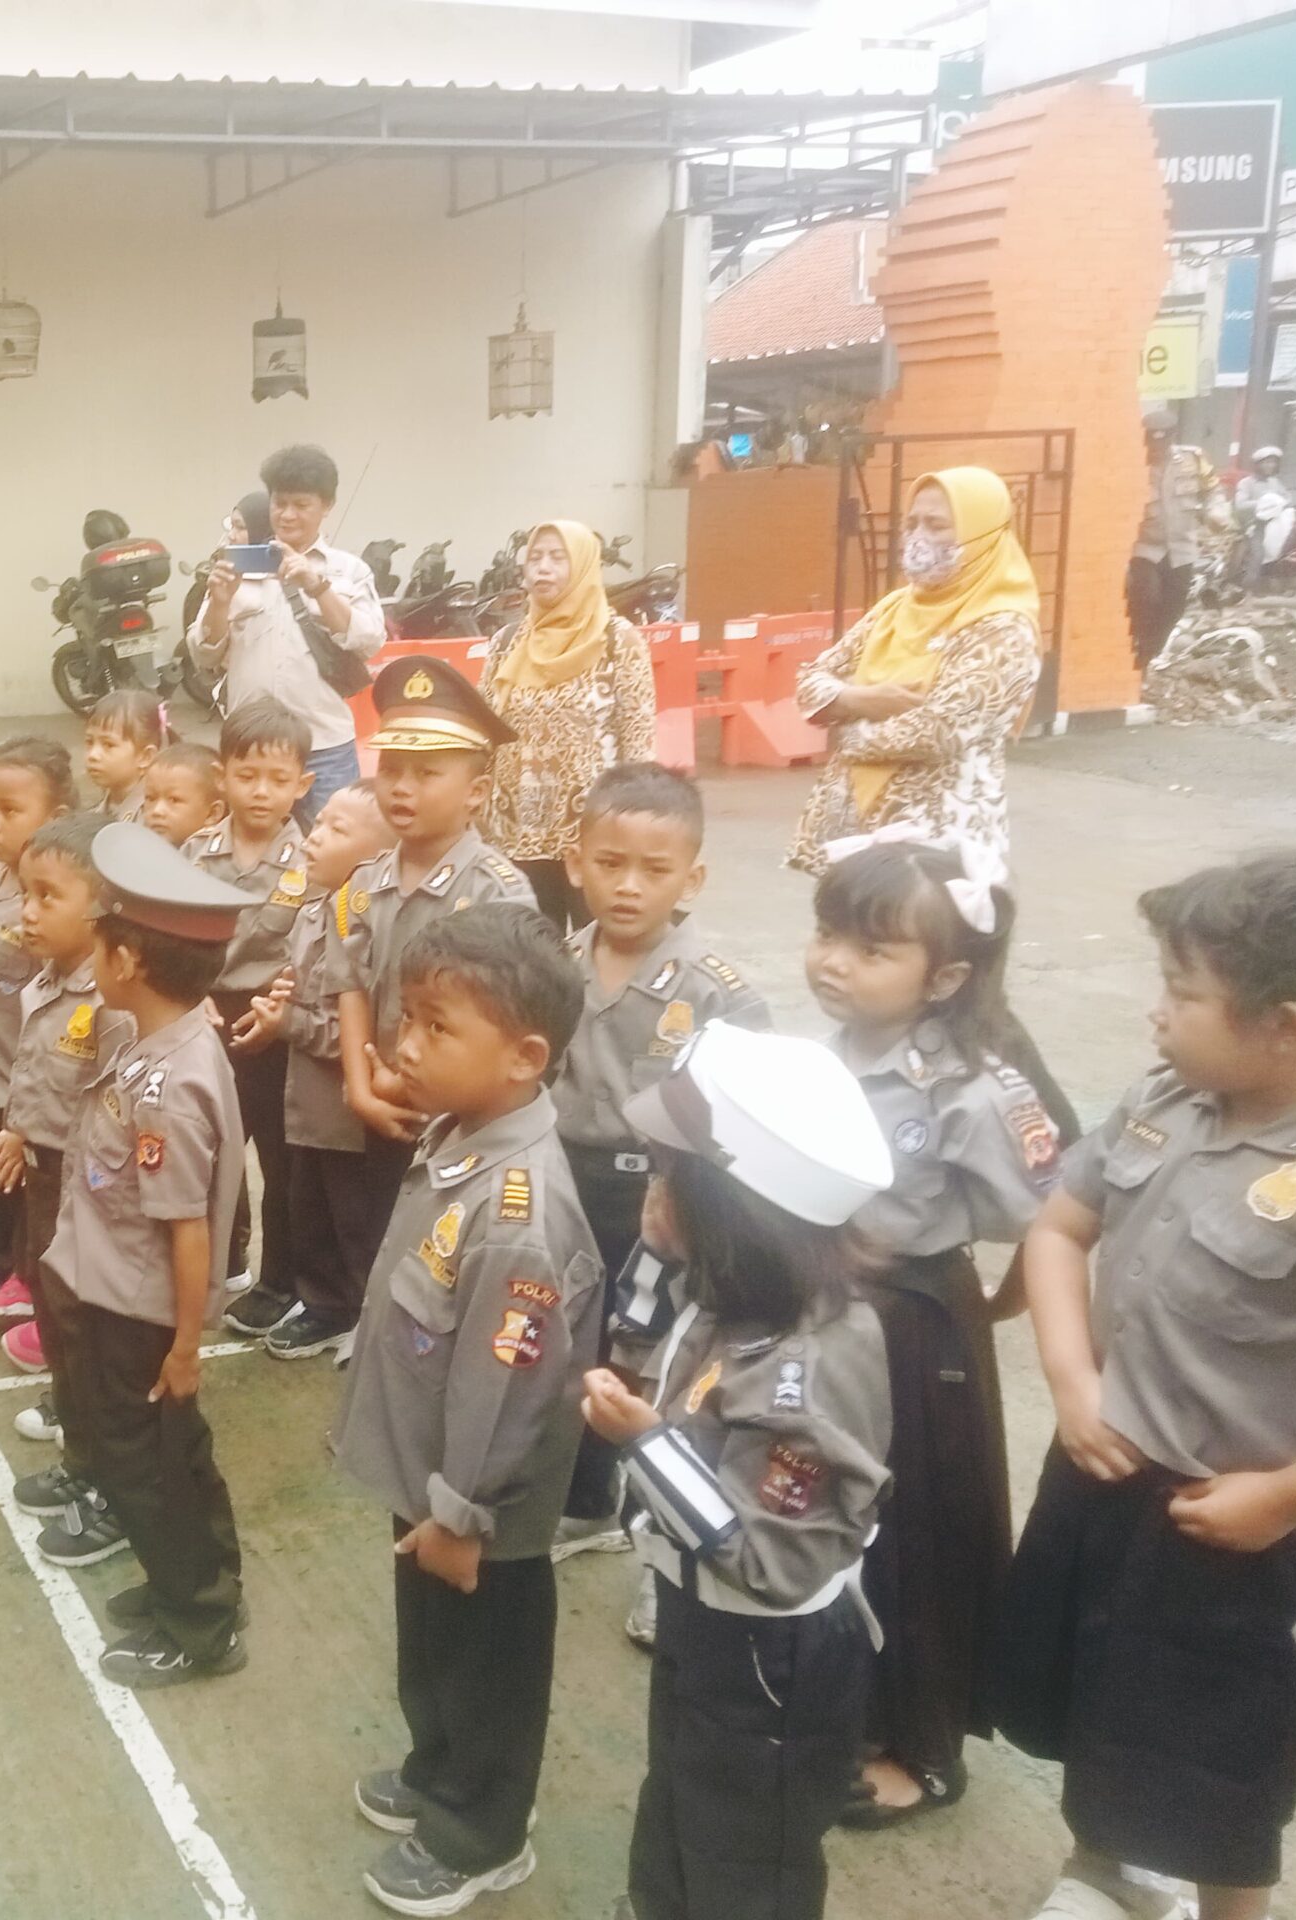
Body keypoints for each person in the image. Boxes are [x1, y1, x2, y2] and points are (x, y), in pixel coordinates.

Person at [1002, 852, 1296, 1920]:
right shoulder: (1165, 1097)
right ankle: (1113, 1863)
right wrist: (1070, 1380)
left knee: (1219, 1752)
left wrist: (1283, 1498)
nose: (1156, 1016)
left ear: (1286, 1028)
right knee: (1091, 1683)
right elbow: (1058, 1226)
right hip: (1098, 1464)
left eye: (1183, 997)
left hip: (1225, 1520)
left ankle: (1225, 1906)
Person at [586, 1022, 898, 1920]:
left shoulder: (804, 1367)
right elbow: (653, 1330)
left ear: (732, 1212)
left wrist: (647, 1444)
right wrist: (658, 1236)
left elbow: (773, 1561)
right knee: (682, 1789)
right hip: (702, 1622)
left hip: (770, 1655)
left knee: (749, 1846)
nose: (650, 1189)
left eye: (666, 1176)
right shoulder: (740, 1298)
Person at [332, 904, 603, 1914]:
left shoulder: (522, 1211)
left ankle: (483, 1831)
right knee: (433, 1649)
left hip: (475, 1500)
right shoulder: (462, 1134)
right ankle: (437, 1769)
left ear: (524, 1056)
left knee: (487, 1663)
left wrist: (460, 1514)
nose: (404, 1042)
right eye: (407, 1017)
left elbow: (504, 1391)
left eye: (436, 1027)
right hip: (430, 1472)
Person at [809, 834, 1073, 1826]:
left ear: (946, 976)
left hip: (916, 1332)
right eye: (828, 933)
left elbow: (1056, 1214)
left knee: (916, 1535)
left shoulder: (971, 1084)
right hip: (830, 1314)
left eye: (870, 949)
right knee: (836, 1516)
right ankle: (849, 1705)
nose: (834, 960)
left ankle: (923, 1746)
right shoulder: (831, 1050)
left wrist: (993, 1303)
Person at [41, 821, 257, 1688]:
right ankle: (205, 1579)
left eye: (99, 942)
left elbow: (188, 1227)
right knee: (175, 1455)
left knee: (142, 1470)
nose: (91, 957)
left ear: (127, 960)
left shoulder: (168, 1085)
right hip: (123, 1295)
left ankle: (198, 1623)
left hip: (135, 1312)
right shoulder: (165, 1043)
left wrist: (183, 1346)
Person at [551, 763, 771, 1555]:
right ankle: (578, 1493)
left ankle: (642, 1517)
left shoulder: (719, 994)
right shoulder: (556, 963)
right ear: (575, 863)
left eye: (656, 869)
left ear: (693, 876)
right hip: (560, 1180)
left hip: (658, 1205)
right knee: (567, 1336)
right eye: (609, 864)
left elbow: (738, 1120)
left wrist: (688, 1208)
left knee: (647, 1352)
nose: (629, 887)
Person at [334, 658, 534, 1221]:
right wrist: (360, 1089)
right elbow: (347, 980)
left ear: (477, 793)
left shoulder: (500, 892)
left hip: (463, 1119)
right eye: (392, 767)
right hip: (379, 1107)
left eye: (426, 774)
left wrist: (407, 1084)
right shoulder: (364, 883)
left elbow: (507, 1019)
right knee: (378, 1239)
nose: (401, 787)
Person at [0, 813, 138, 1559]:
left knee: (91, 1335)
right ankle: (83, 1459)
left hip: (93, 1191)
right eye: (26, 893)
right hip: (46, 1175)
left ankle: (113, 1484)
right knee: (57, 1322)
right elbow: (41, 1072)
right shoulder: (49, 978)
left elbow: (115, 1110)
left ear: (102, 906)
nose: (28, 911)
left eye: (49, 896)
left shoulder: (115, 999)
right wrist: (20, 1128)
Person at [787, 469, 1043, 876]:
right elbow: (810, 680)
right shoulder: (894, 608)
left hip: (936, 842)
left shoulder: (1002, 628)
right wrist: (860, 699)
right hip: (854, 832)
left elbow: (939, 729)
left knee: (914, 936)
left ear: (984, 534)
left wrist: (845, 728)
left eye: (937, 525)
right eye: (912, 523)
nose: (919, 536)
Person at [249, 778, 394, 1361]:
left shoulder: (362, 921)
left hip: (345, 1116)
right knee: (309, 1215)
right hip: (309, 1108)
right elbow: (305, 994)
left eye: (337, 829)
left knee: (356, 1225)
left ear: (380, 855)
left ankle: (362, 1315)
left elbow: (356, 1033)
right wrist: (277, 1008)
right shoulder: (316, 907)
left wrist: (291, 1025)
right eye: (319, 823)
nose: (313, 837)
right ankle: (325, 1304)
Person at [187, 696, 313, 1338]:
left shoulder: (313, 862)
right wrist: (190, 991)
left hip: (273, 1021)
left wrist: (280, 1009)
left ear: (303, 784)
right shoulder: (195, 850)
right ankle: (217, 1259)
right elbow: (178, 932)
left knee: (281, 1157)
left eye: (278, 778)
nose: (261, 792)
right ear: (222, 776)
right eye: (247, 774)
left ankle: (280, 1280)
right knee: (208, 1146)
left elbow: (313, 950)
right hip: (205, 1016)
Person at [0, 736, 78, 1370]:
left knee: (47, 1185)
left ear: (55, 818)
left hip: (39, 1077)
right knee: (19, 1185)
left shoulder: (58, 901)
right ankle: (18, 1274)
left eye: (9, 810)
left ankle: (42, 1294)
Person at [189, 444, 387, 819]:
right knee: (250, 861)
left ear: (326, 506)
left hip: (324, 749)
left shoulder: (348, 571)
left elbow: (369, 642)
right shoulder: (235, 567)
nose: (287, 515)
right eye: (279, 504)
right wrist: (217, 603)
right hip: (251, 749)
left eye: (301, 505)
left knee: (335, 852)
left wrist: (317, 587)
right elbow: (204, 654)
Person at [480, 521, 659, 927]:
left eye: (557, 558)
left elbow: (638, 738)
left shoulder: (618, 640)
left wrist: (637, 819)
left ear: (582, 565)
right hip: (516, 830)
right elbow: (485, 730)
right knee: (527, 951)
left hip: (593, 830)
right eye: (535, 558)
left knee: (591, 945)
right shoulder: (507, 642)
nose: (543, 568)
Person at [1128, 407, 1229, 672]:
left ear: (1173, 437)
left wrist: (1216, 511)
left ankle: (1151, 653)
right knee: (1147, 597)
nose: (1158, 446)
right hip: (1145, 547)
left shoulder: (1193, 459)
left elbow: (1213, 490)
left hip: (1182, 547)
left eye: (1164, 440)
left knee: (1175, 605)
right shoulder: (1133, 463)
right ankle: (1140, 649)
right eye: (1153, 440)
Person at [85, 687, 167, 824]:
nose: (93, 755)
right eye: (89, 742)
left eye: (108, 745)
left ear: (145, 756)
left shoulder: (155, 819)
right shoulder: (94, 815)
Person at [139, 739, 225, 852]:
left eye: (174, 800)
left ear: (212, 814)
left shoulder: (212, 863)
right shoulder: (137, 848)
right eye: (150, 798)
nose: (157, 811)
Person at [1233, 447, 1292, 593]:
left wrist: (1281, 502)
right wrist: (1263, 503)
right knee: (1258, 554)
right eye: (1266, 462)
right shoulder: (1246, 483)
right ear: (1257, 465)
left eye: (1272, 462)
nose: (1269, 466)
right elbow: (1240, 505)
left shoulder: (1275, 483)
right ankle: (1248, 591)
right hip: (1254, 525)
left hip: (1277, 525)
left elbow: (1287, 498)